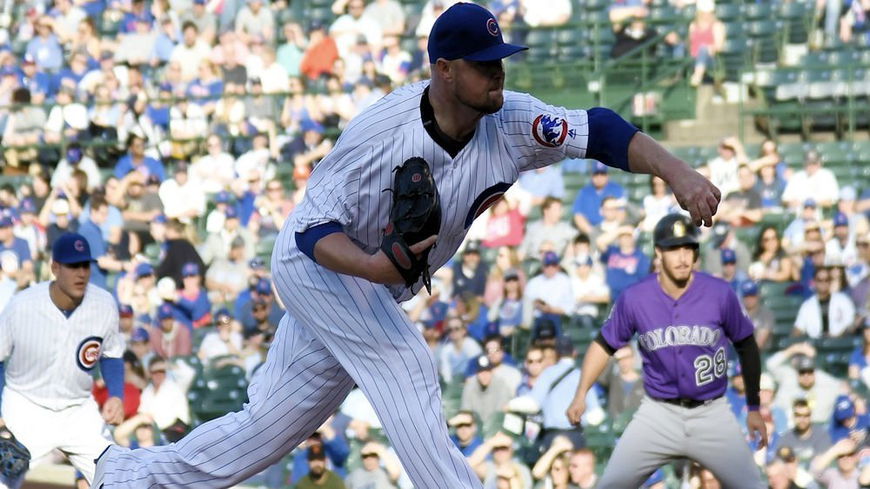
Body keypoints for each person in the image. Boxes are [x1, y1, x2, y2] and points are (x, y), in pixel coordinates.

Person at [93, 4, 721, 488]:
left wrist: (679, 173)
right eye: (483, 62)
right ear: (444, 70)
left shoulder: (510, 122)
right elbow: (310, 233)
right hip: (322, 268)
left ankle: (127, 475)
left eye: (500, 58)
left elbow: (601, 130)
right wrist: (372, 265)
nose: (498, 70)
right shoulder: (379, 133)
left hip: (374, 281)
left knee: (265, 431)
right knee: (406, 365)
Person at [566, 213, 766, 487]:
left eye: (688, 248)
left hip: (711, 414)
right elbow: (604, 344)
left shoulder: (719, 293)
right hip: (658, 414)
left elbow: (747, 345)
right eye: (674, 249)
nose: (683, 257)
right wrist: (580, 393)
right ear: (659, 253)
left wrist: (753, 406)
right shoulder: (636, 298)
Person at [0, 233, 124, 488]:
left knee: (118, 477)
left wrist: (116, 395)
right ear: (55, 267)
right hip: (26, 406)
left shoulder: (104, 304)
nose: (81, 273)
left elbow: (112, 354)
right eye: (72, 265)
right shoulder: (22, 306)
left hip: (78, 410)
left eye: (85, 265)